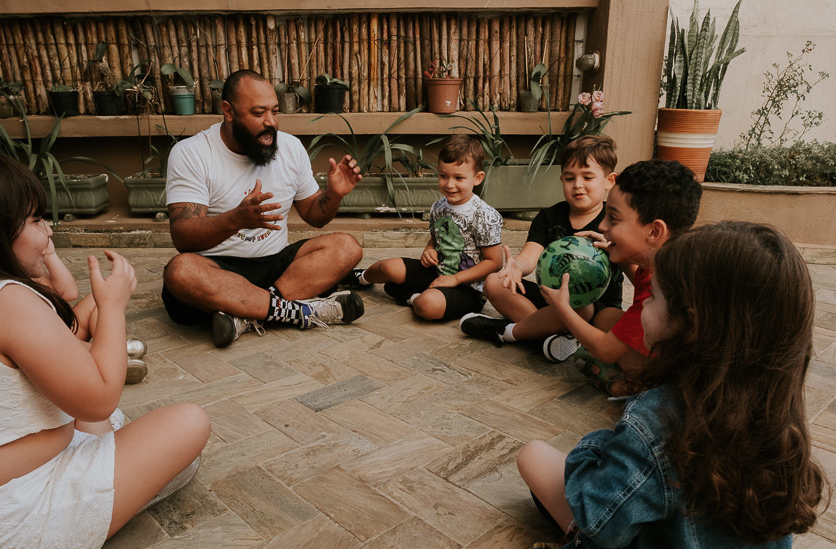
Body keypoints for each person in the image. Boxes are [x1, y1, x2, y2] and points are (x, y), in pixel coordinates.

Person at [0, 144, 211, 549]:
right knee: (188, 426)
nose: (48, 231)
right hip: (5, 528)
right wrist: (115, 305)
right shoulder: (6, 300)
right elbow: (99, 400)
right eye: (33, 220)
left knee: (94, 426)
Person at [516, 221, 828, 549]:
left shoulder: (656, 422)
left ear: (691, 323)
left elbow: (602, 521)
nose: (642, 304)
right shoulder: (779, 417)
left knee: (534, 456)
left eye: (651, 298)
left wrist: (595, 449)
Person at [162, 69, 366, 349]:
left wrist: (333, 196)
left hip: (276, 266)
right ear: (228, 111)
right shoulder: (191, 153)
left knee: (347, 247)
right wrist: (237, 219)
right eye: (259, 113)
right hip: (217, 268)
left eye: (275, 111)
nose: (271, 122)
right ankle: (301, 311)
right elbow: (183, 237)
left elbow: (315, 217)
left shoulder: (291, 148)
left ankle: (245, 316)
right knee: (180, 271)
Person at [458, 135, 624, 363]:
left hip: (596, 307)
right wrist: (517, 267)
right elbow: (530, 256)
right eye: (569, 178)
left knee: (599, 316)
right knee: (494, 282)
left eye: (588, 177)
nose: (577, 185)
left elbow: (636, 266)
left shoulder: (614, 221)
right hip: (550, 297)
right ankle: (545, 336)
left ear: (609, 180)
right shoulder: (549, 217)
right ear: (561, 179)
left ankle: (510, 332)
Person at [541, 159, 701, 393]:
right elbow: (641, 282)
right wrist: (619, 252)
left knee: (589, 355)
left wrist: (563, 309)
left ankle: (636, 385)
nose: (603, 226)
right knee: (606, 317)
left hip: (683, 374)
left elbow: (607, 350)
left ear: (655, 231)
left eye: (613, 218)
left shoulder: (666, 286)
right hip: (671, 353)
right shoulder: (664, 260)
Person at [344, 134, 503, 321]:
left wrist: (455, 279)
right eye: (443, 176)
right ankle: (361, 278)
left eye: (459, 178)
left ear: (477, 178)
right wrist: (429, 250)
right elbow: (436, 239)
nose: (449, 184)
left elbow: (495, 262)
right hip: (436, 272)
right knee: (388, 267)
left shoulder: (485, 215)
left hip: (467, 287)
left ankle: (411, 296)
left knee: (427, 306)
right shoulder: (438, 206)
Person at [35, 238, 148, 383]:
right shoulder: (11, 285)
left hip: (64, 330)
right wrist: (101, 350)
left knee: (96, 300)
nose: (49, 232)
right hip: (51, 345)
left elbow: (69, 292)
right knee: (91, 352)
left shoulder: (33, 270)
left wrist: (50, 255)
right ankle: (114, 361)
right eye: (36, 222)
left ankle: (119, 345)